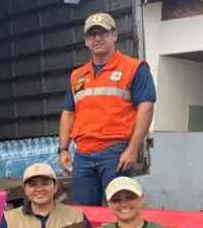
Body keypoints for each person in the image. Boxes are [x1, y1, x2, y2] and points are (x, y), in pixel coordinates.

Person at [59, 12, 156, 206]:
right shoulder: (77, 76)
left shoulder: (134, 68)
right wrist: (63, 149)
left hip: (115, 153)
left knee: (120, 210)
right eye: (92, 34)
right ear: (86, 41)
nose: (97, 38)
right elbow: (69, 112)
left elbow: (146, 108)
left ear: (114, 35)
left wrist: (132, 149)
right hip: (83, 154)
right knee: (83, 213)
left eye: (102, 33)